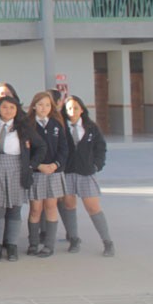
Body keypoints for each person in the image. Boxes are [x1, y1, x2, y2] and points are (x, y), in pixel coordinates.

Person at [0, 96, 46, 262]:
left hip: (17, 168)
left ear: (17, 110)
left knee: (14, 209)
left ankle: (12, 246)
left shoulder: (23, 128)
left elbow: (41, 146)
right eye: (5, 107)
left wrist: (31, 165)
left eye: (12, 108)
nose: (8, 111)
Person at [61, 95, 114, 257]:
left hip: (86, 173)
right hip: (68, 172)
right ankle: (74, 239)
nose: (72, 111)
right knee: (68, 206)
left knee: (93, 207)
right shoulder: (62, 127)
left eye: (76, 108)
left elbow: (101, 147)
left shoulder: (91, 127)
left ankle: (107, 241)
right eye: (69, 108)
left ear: (82, 109)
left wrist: (97, 165)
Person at [26, 91, 68, 258]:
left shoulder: (56, 125)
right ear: (34, 105)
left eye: (47, 105)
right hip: (36, 172)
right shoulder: (28, 126)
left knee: (51, 206)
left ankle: (49, 245)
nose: (44, 108)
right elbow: (25, 151)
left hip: (54, 172)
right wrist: (39, 166)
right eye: (41, 104)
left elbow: (64, 149)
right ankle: (33, 243)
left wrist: (55, 165)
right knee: (35, 209)